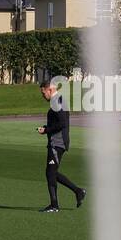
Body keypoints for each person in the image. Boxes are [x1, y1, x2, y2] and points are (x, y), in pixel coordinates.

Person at [37, 80, 85, 213]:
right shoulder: (58, 100)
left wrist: (46, 130)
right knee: (50, 173)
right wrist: (46, 128)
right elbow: (58, 123)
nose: (43, 96)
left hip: (57, 143)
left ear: (49, 90)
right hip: (57, 142)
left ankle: (54, 205)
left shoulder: (57, 101)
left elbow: (62, 123)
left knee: (50, 173)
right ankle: (78, 191)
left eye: (43, 93)